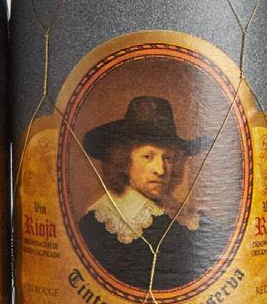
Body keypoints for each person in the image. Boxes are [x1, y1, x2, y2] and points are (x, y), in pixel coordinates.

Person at [75, 95, 223, 293]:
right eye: (147, 156)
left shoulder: (192, 220)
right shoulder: (97, 227)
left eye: (168, 158)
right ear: (124, 162)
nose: (160, 170)